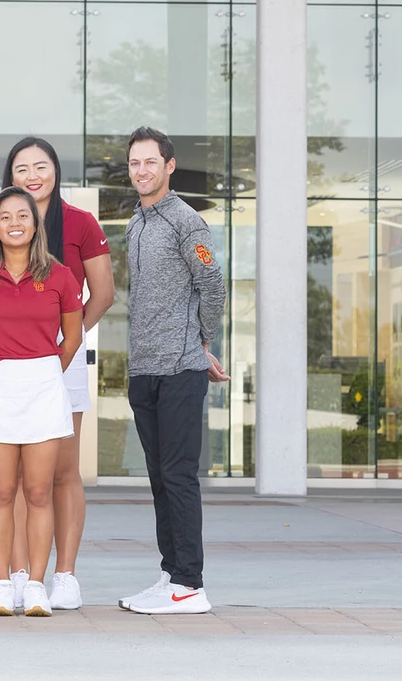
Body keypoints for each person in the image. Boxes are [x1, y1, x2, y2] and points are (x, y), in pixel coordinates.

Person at [118, 126, 227, 616]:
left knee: (179, 476)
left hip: (180, 369)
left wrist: (200, 342)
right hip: (143, 370)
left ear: (169, 165)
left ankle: (191, 583)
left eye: (150, 162)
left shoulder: (187, 222)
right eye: (134, 163)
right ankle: (171, 574)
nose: (141, 171)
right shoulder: (135, 224)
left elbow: (213, 284)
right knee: (159, 478)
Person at [0, 187, 83, 617]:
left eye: (22, 216)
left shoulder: (60, 275)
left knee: (38, 492)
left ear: (35, 224)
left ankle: (34, 585)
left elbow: (73, 338)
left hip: (44, 388)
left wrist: (43, 372)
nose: (14, 223)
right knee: (1, 492)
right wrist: (0, 370)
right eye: (5, 216)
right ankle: (0, 587)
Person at [3, 136, 114, 610]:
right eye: (22, 168)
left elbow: (103, 293)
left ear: (55, 171)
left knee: (63, 472)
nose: (32, 176)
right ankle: (24, 575)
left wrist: (65, 345)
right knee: (22, 478)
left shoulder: (81, 223)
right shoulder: (3, 221)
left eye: (41, 166)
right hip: (11, 368)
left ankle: (65, 575)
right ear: (11, 177)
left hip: (60, 365)